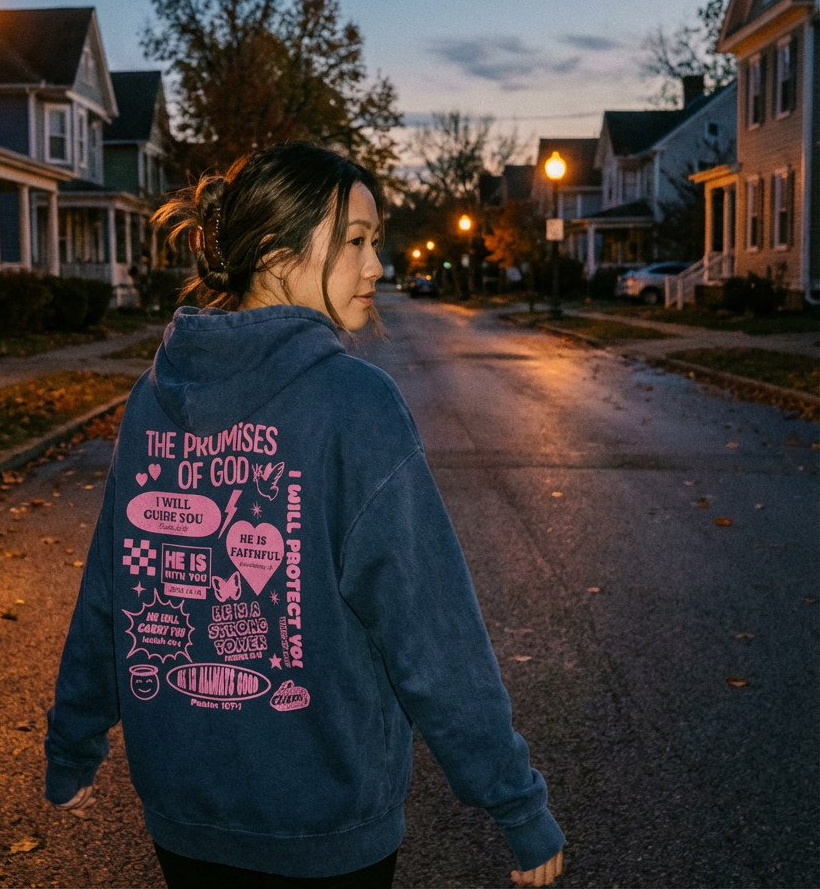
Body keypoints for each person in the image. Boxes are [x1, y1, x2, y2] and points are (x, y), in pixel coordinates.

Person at [44, 143, 565, 889]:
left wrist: (74, 741)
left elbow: (110, 589)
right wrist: (515, 801)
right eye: (355, 241)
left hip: (183, 814)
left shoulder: (150, 398)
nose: (376, 265)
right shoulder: (356, 404)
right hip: (326, 826)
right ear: (274, 252)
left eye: (375, 242)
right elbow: (430, 625)